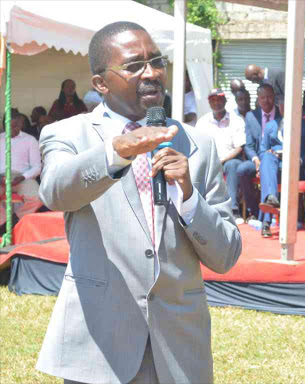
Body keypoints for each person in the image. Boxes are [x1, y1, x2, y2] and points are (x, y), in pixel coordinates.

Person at [36, 21, 242, 384]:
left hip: (179, 343)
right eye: (134, 66)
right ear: (101, 83)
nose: (152, 73)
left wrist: (190, 198)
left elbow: (225, 255)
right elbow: (55, 192)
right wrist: (114, 154)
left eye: (156, 61)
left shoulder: (196, 143)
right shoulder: (68, 134)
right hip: (101, 341)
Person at [259, 95, 305, 237]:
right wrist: (271, 153)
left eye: (289, 107)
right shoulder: (272, 125)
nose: (286, 110)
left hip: (297, 168)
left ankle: (266, 221)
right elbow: (262, 150)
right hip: (275, 168)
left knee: (267, 172)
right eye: (283, 107)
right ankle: (271, 200)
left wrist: (298, 160)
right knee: (266, 157)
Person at [195, 88, 246, 221]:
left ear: (225, 101)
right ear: (209, 102)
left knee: (233, 165)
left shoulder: (236, 120)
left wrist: (222, 160)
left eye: (219, 99)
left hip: (229, 160)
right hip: (209, 161)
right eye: (213, 100)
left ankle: (233, 210)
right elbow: (197, 146)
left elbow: (240, 147)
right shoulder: (202, 122)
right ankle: (201, 211)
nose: (217, 102)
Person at [237, 84, 282, 221]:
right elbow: (249, 146)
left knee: (271, 168)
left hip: (277, 158)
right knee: (242, 169)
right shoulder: (251, 116)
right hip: (258, 158)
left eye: (269, 97)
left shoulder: (281, 113)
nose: (266, 101)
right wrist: (256, 160)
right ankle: (255, 211)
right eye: (263, 97)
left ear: (274, 97)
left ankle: (270, 214)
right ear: (258, 98)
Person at [0, 113, 42, 228]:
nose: (13, 129)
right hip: (1, 177)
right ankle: (3, 224)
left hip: (23, 177)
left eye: (16, 126)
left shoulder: (30, 140)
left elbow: (37, 167)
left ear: (21, 125)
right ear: (3, 125)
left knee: (39, 198)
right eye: (9, 126)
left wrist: (22, 177)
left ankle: (15, 219)